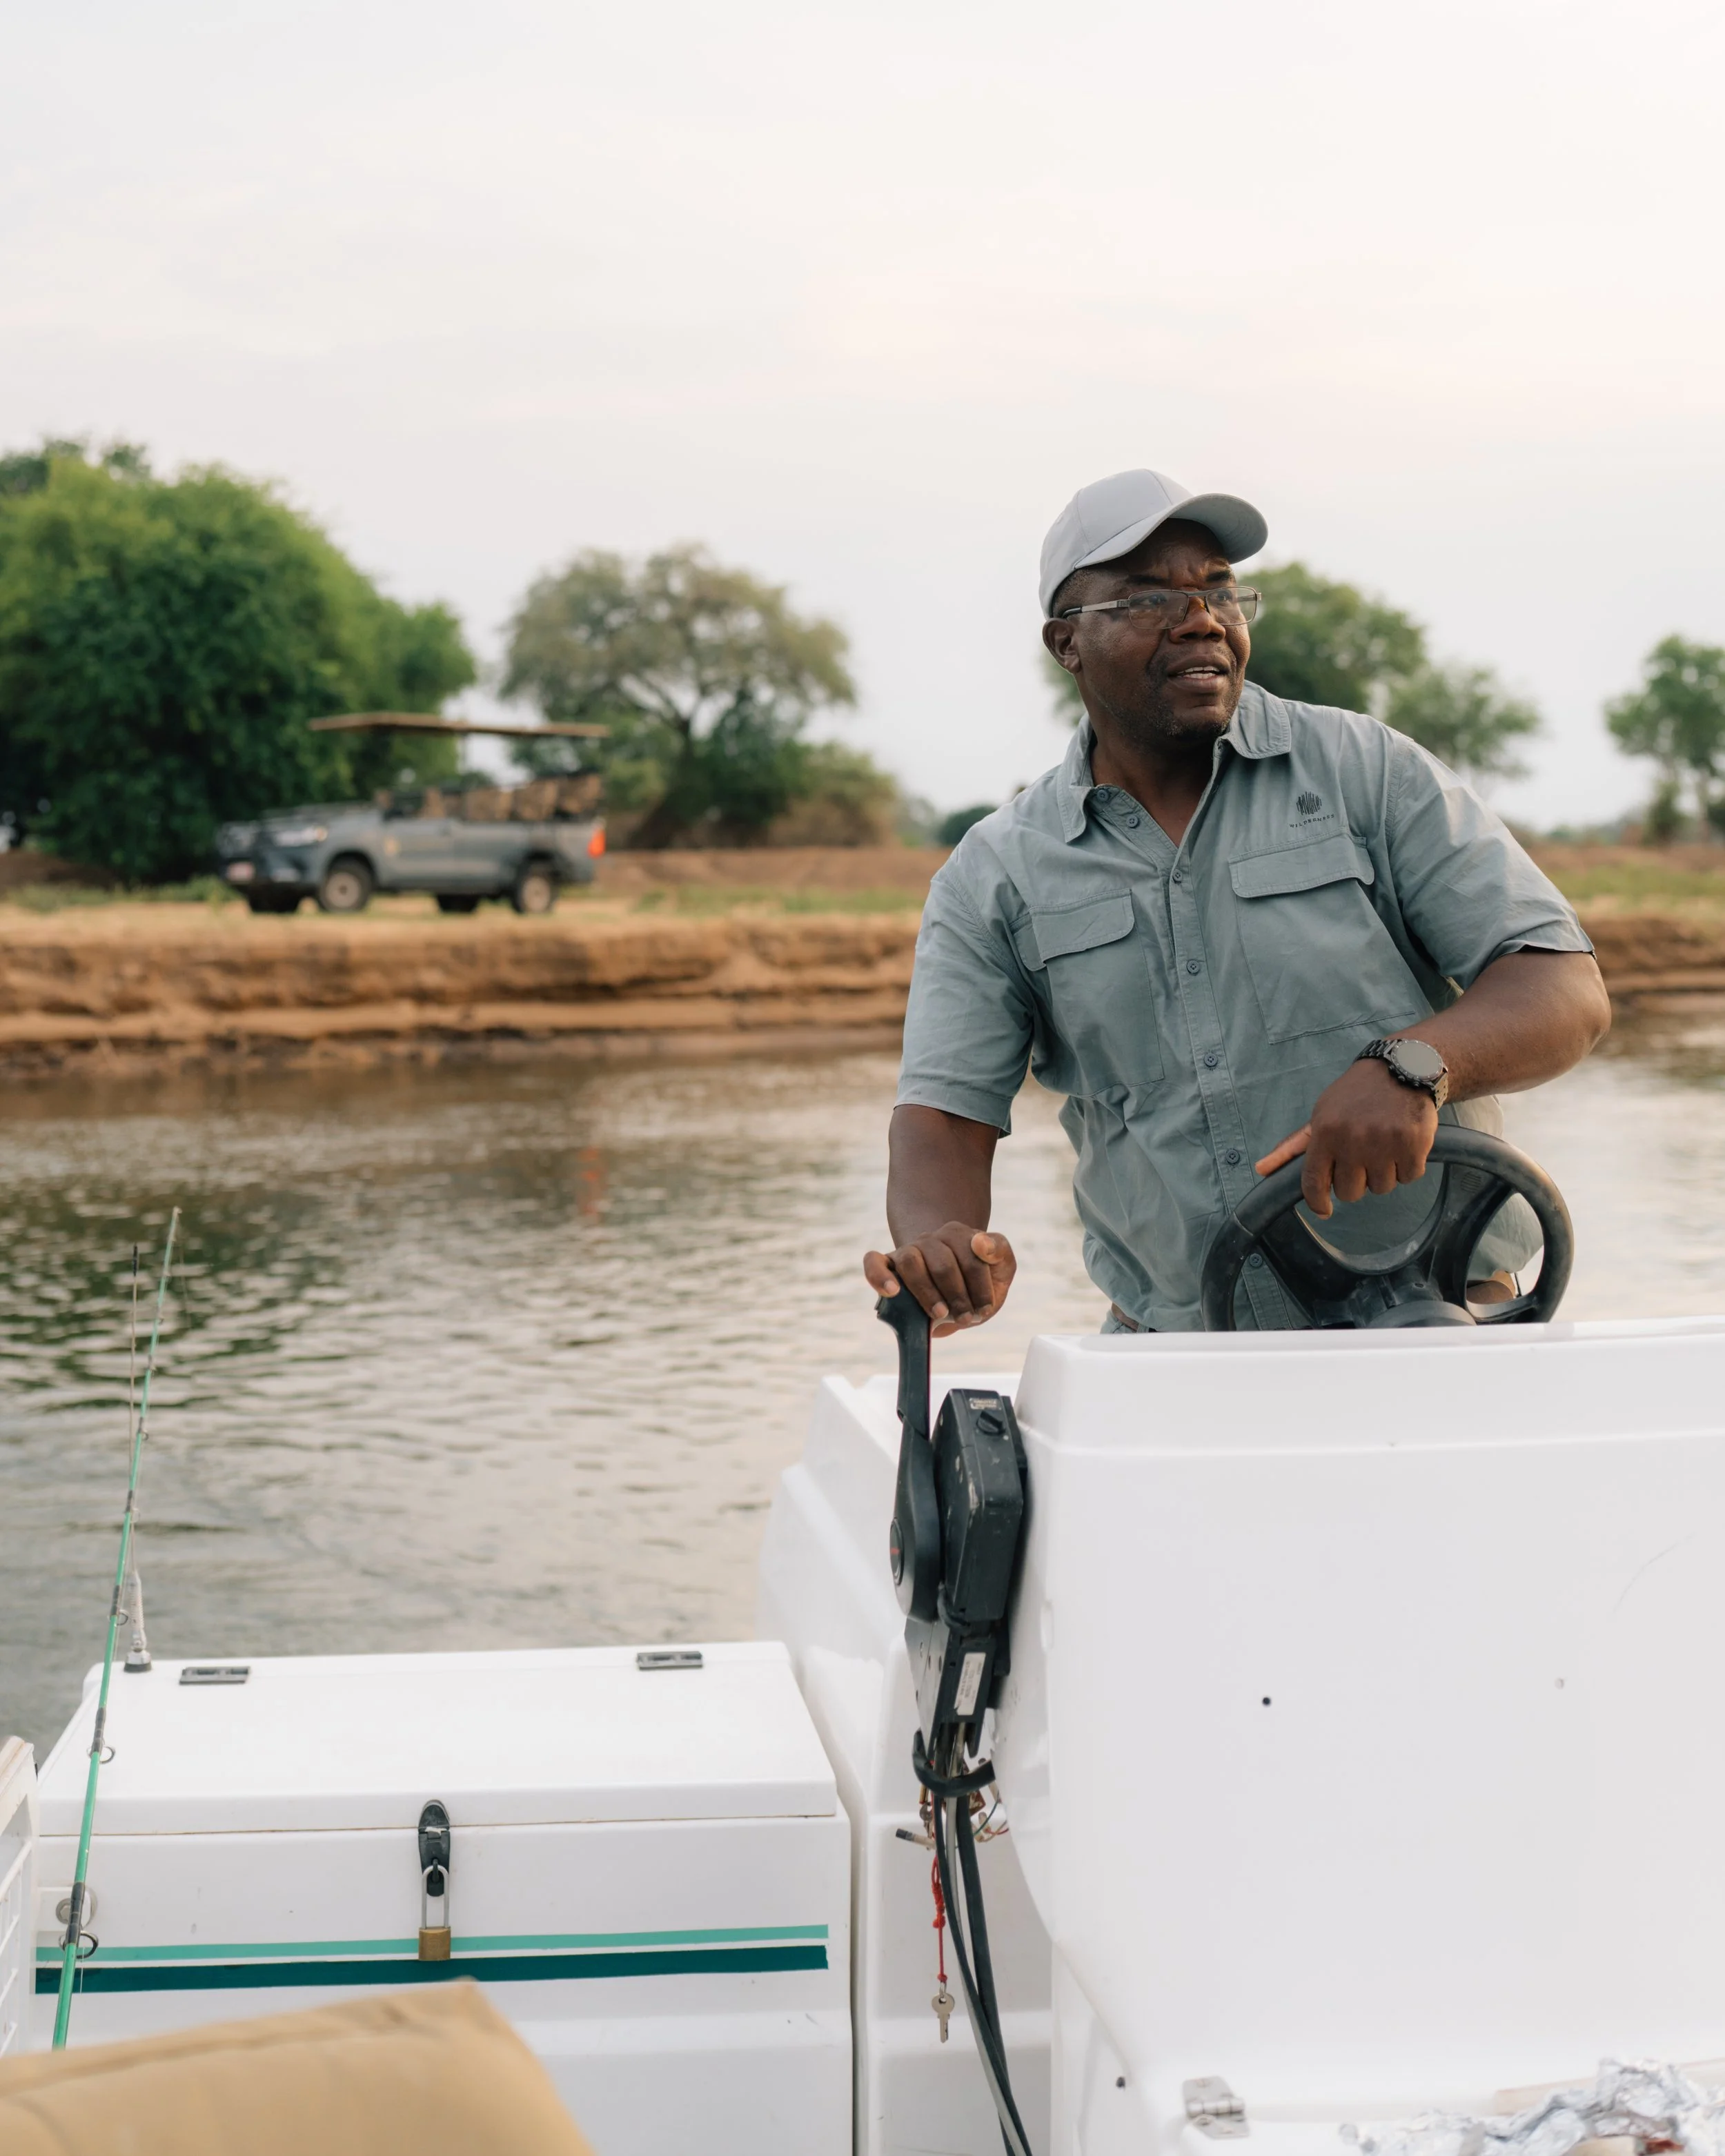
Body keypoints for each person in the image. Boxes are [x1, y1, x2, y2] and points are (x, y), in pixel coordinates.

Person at [865, 468, 1612, 1334]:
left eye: (1219, 588)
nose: (1201, 618)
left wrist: (1412, 1065)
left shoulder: (1366, 772)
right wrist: (942, 1244)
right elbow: (942, 1116)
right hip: (1180, 1359)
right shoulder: (993, 873)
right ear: (1065, 642)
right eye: (1148, 597)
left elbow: (1564, 989)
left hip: (1441, 1326)